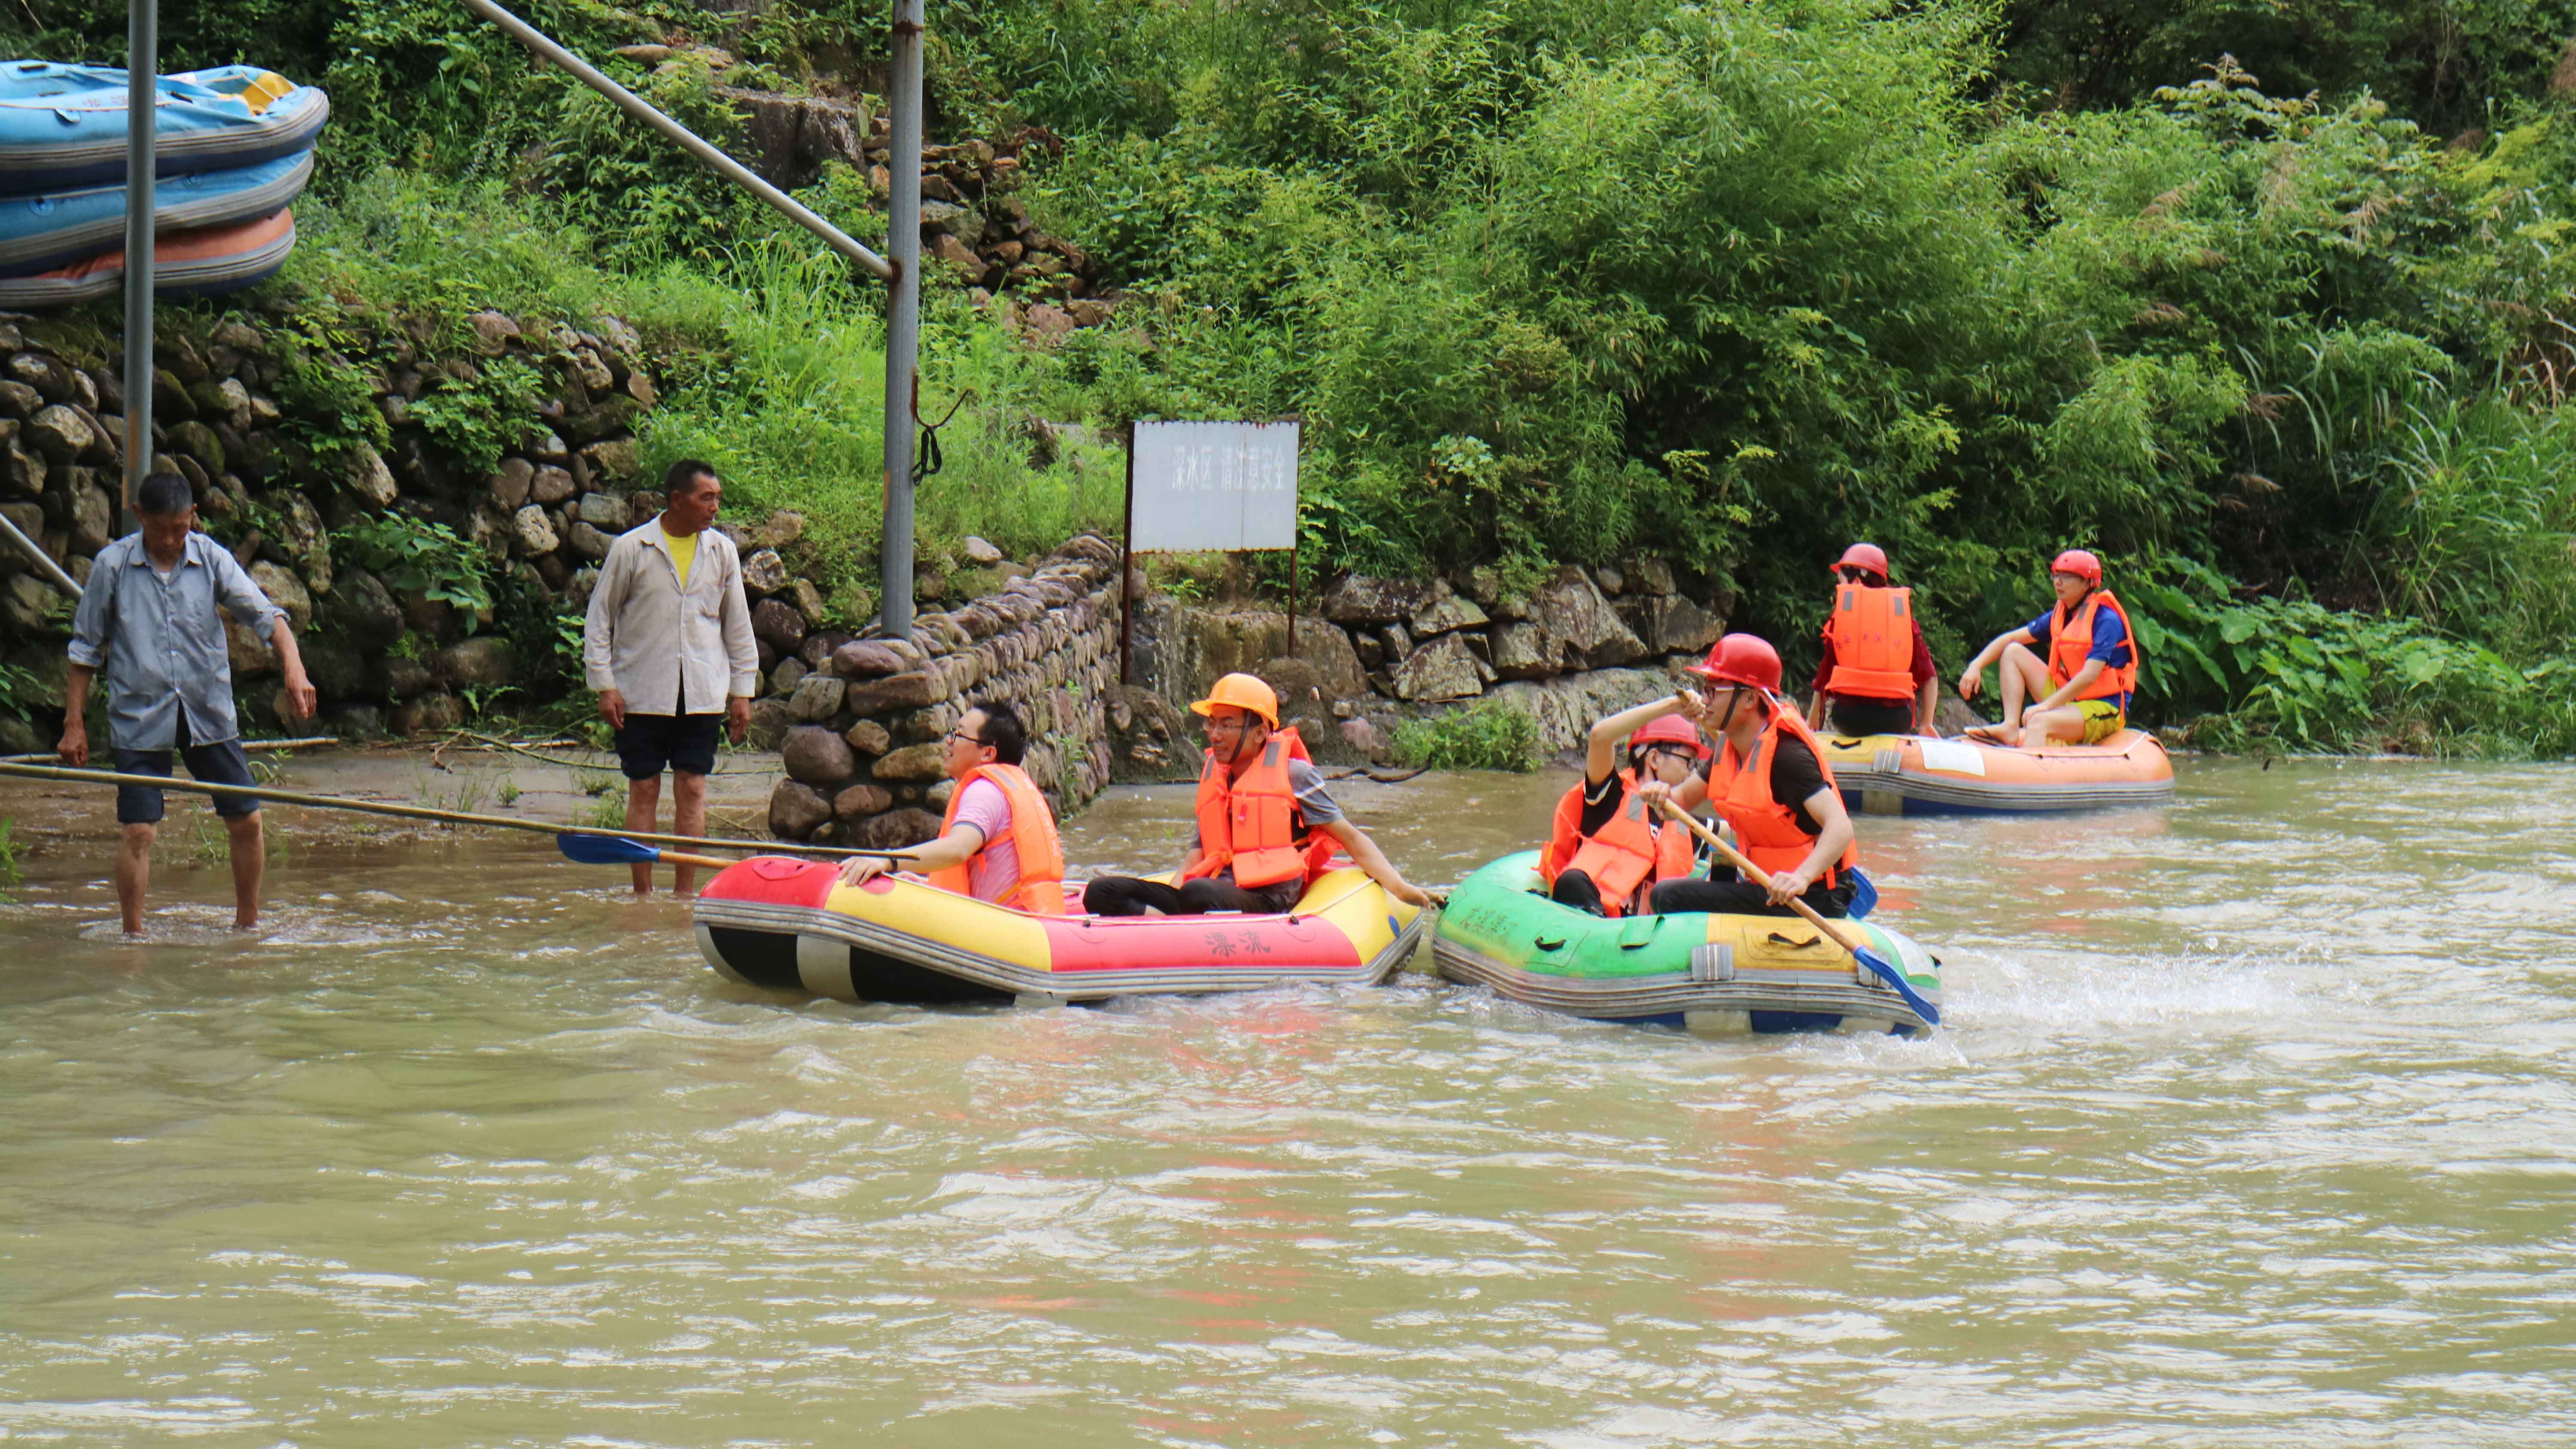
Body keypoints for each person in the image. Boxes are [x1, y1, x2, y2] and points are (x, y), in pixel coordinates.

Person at [58, 471, 318, 936]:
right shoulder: (112, 567)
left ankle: (248, 926)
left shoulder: (210, 559)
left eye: (181, 528)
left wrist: (293, 667)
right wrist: (73, 722)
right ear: (141, 517)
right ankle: (132, 936)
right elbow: (84, 651)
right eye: (162, 530)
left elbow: (267, 616)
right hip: (140, 717)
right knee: (139, 831)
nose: (173, 539)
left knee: (247, 819)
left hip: (207, 712)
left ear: (192, 517)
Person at [1085, 673, 1434, 915]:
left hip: (1268, 898)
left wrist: (1400, 887)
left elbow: (1351, 838)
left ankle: (1183, 916)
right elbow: (1196, 857)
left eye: (1227, 725)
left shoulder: (1295, 775)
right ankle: (1164, 928)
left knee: (1198, 893)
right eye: (1212, 724)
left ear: (1260, 732)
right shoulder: (1217, 778)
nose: (1215, 735)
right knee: (1102, 892)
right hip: (1215, 890)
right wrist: (1170, 899)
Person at [582, 459, 758, 896]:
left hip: (701, 693)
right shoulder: (631, 548)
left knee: (693, 788)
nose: (715, 507)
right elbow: (599, 620)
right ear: (677, 500)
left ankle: (684, 895)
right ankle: (642, 894)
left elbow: (737, 626)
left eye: (717, 497)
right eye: (706, 498)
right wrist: (605, 685)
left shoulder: (722, 552)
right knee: (643, 790)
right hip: (640, 692)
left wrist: (742, 692)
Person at [1639, 634, 1862, 919]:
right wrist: (1660, 794)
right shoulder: (1728, 749)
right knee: (1715, 871)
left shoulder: (1786, 756)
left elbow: (1841, 827)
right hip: (1768, 883)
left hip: (1814, 895)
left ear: (1749, 698)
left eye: (1714, 692)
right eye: (1705, 690)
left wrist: (1801, 878)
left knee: (1667, 896)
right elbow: (1679, 801)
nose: (1704, 700)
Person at [833, 700, 1067, 913]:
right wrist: (929, 883)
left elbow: (958, 848)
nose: (949, 741)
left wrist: (887, 860)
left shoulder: (985, 791)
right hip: (1034, 919)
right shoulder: (1011, 786)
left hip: (1010, 932)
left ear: (987, 753)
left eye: (959, 735)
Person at [1954, 548, 2139, 749]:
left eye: (2067, 577)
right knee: (2013, 652)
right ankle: (2010, 726)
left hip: (2105, 708)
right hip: (2071, 699)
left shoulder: (2107, 621)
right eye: (2056, 576)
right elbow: (2011, 638)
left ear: (2088, 583)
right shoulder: (2059, 616)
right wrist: (1976, 665)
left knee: (2039, 721)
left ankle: (2032, 773)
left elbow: (2089, 676)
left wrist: (2045, 707)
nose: (2058, 582)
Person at [1538, 702, 1710, 917]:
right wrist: (1674, 706)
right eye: (1688, 762)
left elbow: (1734, 830)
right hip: (1598, 913)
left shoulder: (1686, 823)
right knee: (1572, 880)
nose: (1691, 773)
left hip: (1650, 932)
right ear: (1655, 759)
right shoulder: (1611, 795)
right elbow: (1600, 736)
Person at [1806, 542, 1939, 737]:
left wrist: (1811, 722)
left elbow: (1824, 678)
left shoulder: (1843, 619)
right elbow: (1930, 677)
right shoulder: (1903, 620)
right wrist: (1926, 724)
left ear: (1858, 580)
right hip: (1895, 720)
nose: (1839, 585)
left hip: (1849, 718)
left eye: (1841, 578)